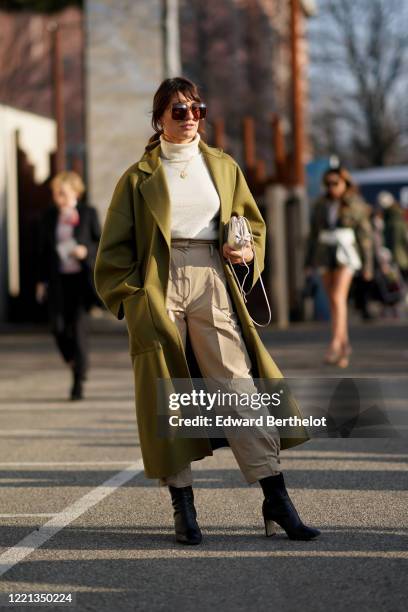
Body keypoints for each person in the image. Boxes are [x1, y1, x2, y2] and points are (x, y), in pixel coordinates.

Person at [94, 76, 320, 545]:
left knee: (237, 384)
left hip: (212, 275)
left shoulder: (222, 164)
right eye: (180, 111)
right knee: (169, 394)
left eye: (198, 109)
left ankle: (276, 499)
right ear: (159, 119)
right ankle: (183, 507)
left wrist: (246, 252)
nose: (191, 118)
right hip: (157, 281)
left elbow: (252, 224)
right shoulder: (137, 178)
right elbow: (112, 252)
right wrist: (133, 298)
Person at [35, 171, 101, 400]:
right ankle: (72, 361)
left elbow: (99, 244)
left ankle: (78, 380)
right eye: (55, 193)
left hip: (81, 281)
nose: (58, 197)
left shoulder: (88, 213)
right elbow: (43, 251)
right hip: (57, 280)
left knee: (79, 330)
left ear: (75, 192)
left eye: (62, 192)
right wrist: (41, 281)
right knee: (58, 327)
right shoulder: (49, 216)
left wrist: (86, 251)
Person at [304, 166, 374, 368]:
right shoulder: (320, 204)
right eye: (328, 183)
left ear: (345, 183)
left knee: (338, 297)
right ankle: (344, 348)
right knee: (333, 302)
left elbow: (366, 236)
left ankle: (335, 343)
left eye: (335, 183)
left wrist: (368, 265)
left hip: (347, 253)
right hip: (324, 253)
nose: (331, 187)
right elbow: (312, 235)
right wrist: (307, 263)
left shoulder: (356, 204)